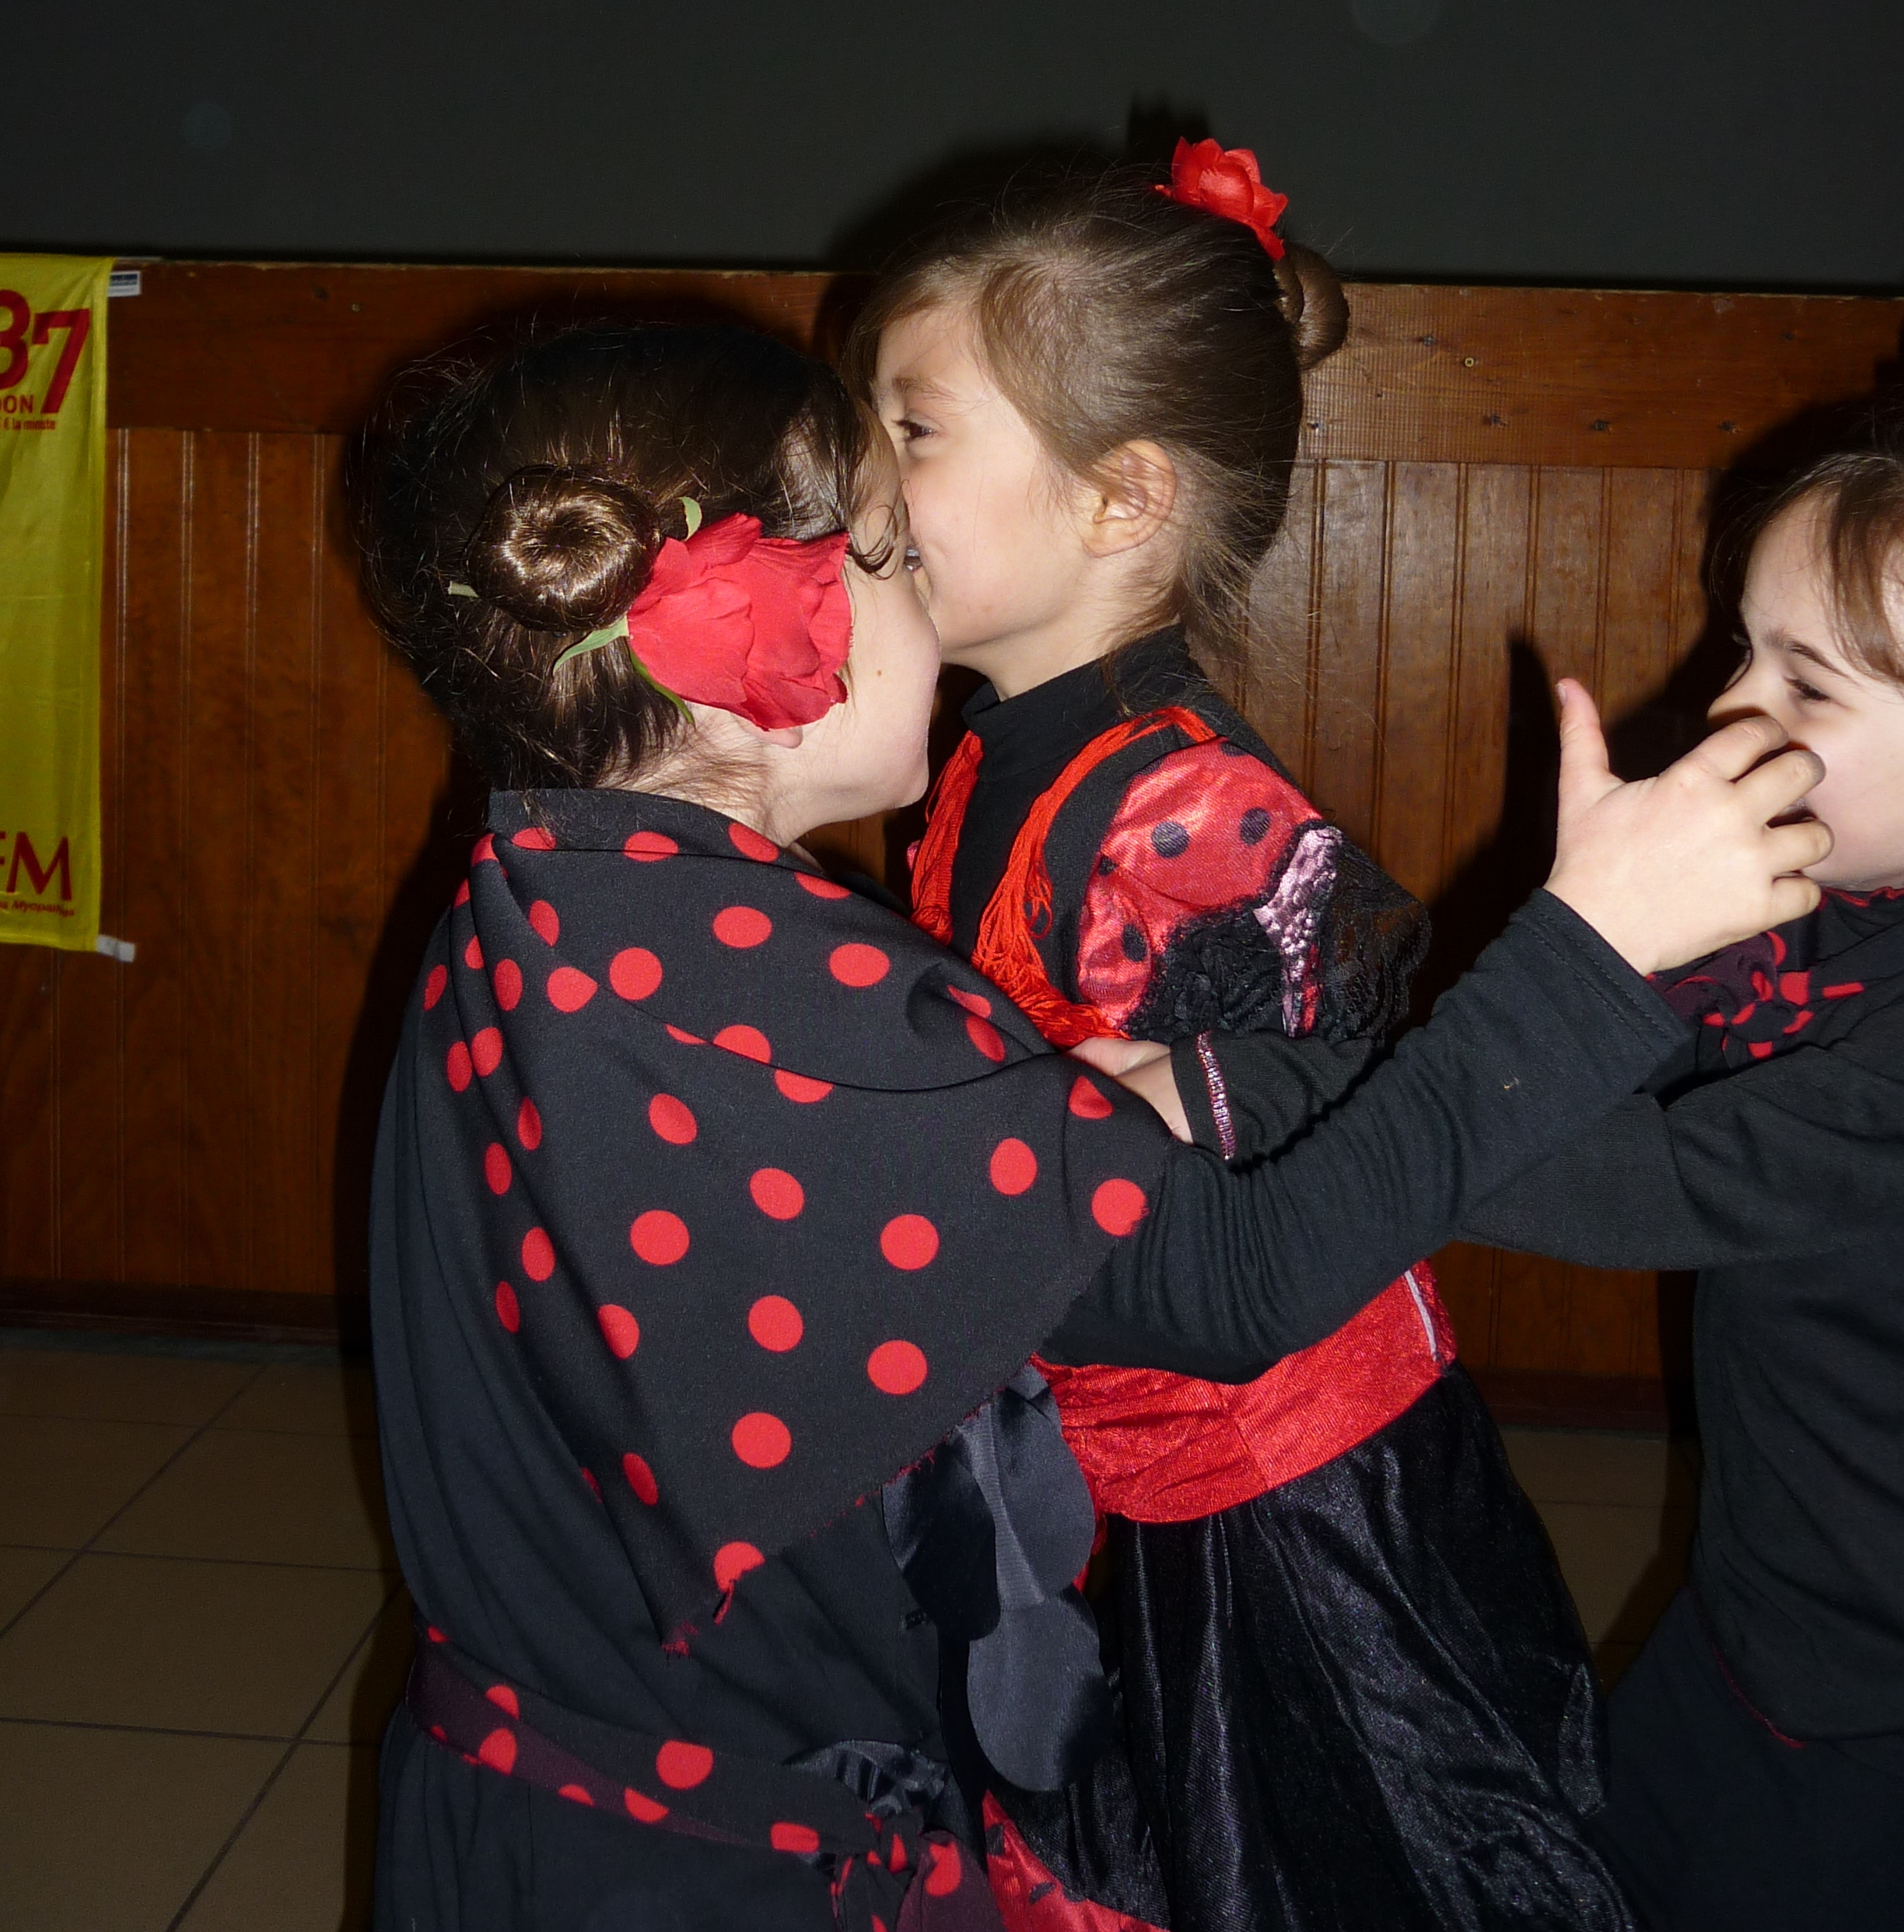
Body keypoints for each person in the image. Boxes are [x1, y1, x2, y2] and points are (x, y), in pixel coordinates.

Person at [357, 317, 1821, 1932]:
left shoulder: (539, 893)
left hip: (532, 1797)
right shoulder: (761, 993)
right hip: (700, 1867)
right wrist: (1591, 952)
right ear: (763, 640)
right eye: (892, 557)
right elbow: (1246, 1281)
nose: (927, 598)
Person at [847, 141, 1696, 1932]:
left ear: (1121, 498)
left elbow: (1367, 1069)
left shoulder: (1179, 813)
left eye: (912, 431)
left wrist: (1197, 1093)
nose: (867, 476)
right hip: (1108, 1463)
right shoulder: (989, 749)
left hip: (1291, 1523)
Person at [1461, 423, 1904, 1931]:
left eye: (1805, 683)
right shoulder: (1814, 894)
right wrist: (1606, 937)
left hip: (1865, 1707)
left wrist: (1257, 1106)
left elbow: (1630, 1182)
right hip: (1753, 1604)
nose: (1730, 706)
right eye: (1745, 649)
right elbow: (1583, 1069)